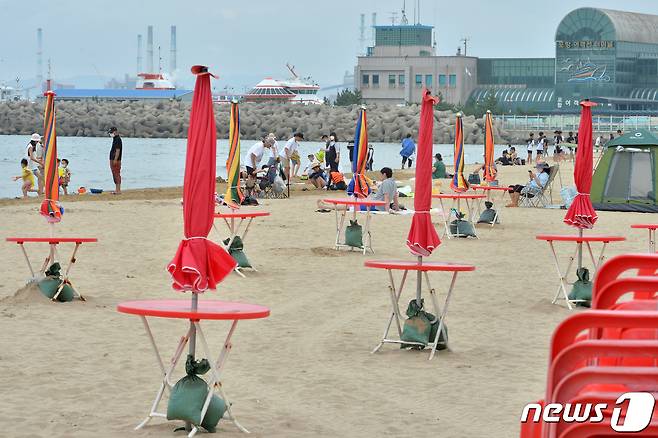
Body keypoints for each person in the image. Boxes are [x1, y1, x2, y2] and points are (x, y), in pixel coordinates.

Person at [108, 127, 122, 194]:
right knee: (114, 174)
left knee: (116, 174)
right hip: (112, 159)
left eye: (111, 133)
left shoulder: (118, 139)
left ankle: (118, 190)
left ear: (115, 132)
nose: (111, 134)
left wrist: (115, 159)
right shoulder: (115, 139)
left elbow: (118, 150)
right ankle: (117, 189)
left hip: (115, 160)